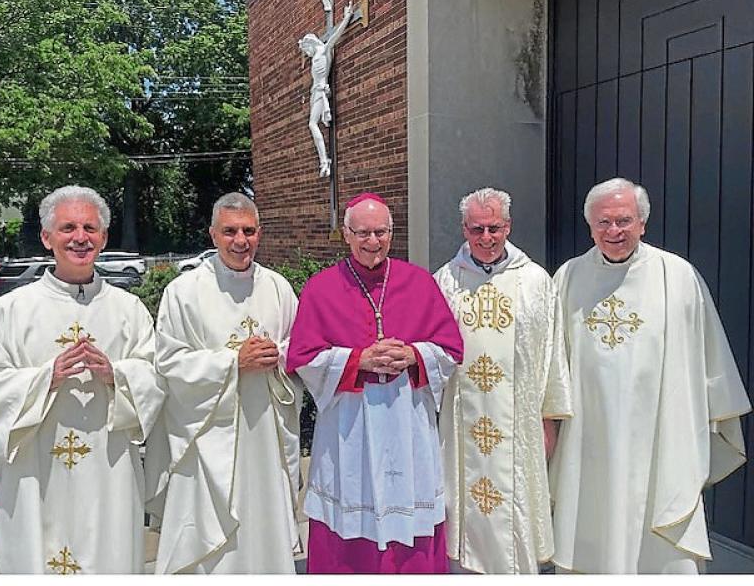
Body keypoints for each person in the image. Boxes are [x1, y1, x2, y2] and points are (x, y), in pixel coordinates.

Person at [0, 185, 163, 573]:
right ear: (47, 237)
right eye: (68, 227)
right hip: (36, 472)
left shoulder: (129, 310)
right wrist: (44, 378)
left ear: (103, 237)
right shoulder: (10, 311)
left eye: (90, 228)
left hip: (109, 468)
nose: (80, 237)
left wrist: (116, 374)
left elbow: (157, 377)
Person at [550, 177, 752, 573]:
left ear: (643, 223)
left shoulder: (677, 277)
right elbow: (551, 363)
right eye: (603, 223)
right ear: (589, 226)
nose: (614, 232)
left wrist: (711, 414)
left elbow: (708, 355)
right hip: (589, 437)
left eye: (624, 221)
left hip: (661, 437)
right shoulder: (568, 278)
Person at [287, 193, 464, 573]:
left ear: (392, 232)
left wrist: (415, 355)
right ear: (346, 235)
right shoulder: (321, 288)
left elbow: (451, 348)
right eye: (363, 233)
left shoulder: (419, 282)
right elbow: (301, 358)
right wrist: (356, 359)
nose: (373, 242)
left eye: (381, 232)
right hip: (349, 423)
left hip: (407, 418)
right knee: (350, 511)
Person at [152, 192, 302, 574]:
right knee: (212, 534)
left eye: (249, 231)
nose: (241, 241)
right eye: (230, 231)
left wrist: (279, 356)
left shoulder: (278, 288)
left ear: (260, 233)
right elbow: (168, 361)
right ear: (213, 234)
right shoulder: (183, 293)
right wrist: (232, 362)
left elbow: (300, 350)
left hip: (265, 432)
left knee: (264, 522)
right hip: (209, 440)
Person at [434, 187, 572, 574]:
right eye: (477, 229)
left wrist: (550, 421)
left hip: (521, 425)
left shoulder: (535, 281)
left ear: (508, 226)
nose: (486, 238)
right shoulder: (445, 282)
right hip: (463, 426)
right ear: (464, 229)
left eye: (494, 227)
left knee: (517, 515)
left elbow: (552, 355)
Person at [298, 1, 354, 177]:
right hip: (316, 91)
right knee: (312, 124)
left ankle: (324, 161)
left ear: (311, 44)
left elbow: (335, 37)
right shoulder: (316, 56)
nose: (306, 54)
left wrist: (346, 18)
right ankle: (323, 160)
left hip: (321, 90)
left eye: (306, 49)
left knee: (312, 124)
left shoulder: (322, 51)